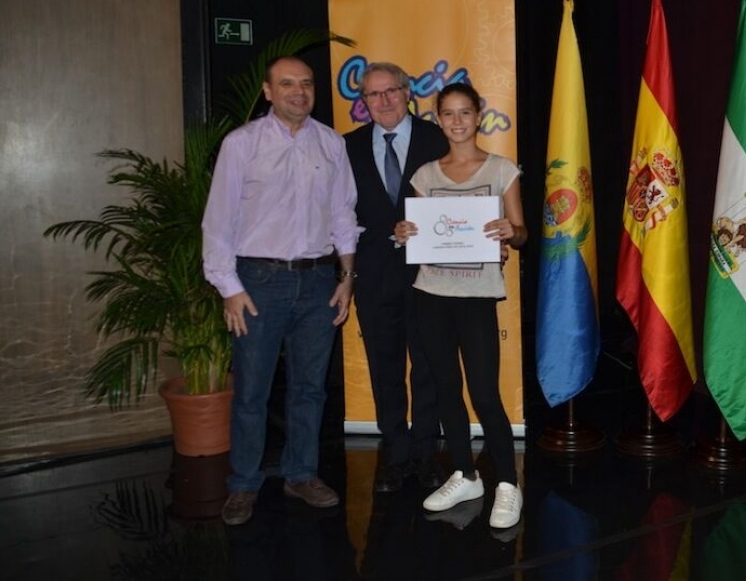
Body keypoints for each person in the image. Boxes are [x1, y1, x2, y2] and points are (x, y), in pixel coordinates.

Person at [203, 55, 361, 526]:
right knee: (252, 390)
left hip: (318, 282)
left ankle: (301, 474)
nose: (299, 91)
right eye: (287, 83)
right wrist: (229, 287)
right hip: (258, 283)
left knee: (310, 389)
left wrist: (347, 278)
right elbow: (218, 221)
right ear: (268, 91)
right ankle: (244, 484)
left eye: (307, 84)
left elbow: (343, 215)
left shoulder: (332, 144)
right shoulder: (242, 144)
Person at [394, 81, 528, 531]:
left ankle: (507, 483)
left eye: (464, 113)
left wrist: (510, 232)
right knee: (445, 390)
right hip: (430, 293)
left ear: (478, 116)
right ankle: (465, 474)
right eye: (447, 114)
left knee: (485, 393)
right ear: (438, 118)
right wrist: (403, 232)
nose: (456, 121)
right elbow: (414, 231)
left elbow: (523, 233)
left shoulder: (501, 168)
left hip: (475, 298)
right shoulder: (424, 175)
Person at [343, 61, 450, 493]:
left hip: (430, 271)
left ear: (408, 93)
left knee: (427, 365)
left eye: (391, 91)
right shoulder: (345, 147)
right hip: (373, 273)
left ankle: (426, 455)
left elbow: (455, 195)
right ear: (363, 102)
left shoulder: (437, 138)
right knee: (384, 367)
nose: (383, 101)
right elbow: (341, 212)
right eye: (373, 94)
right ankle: (396, 454)